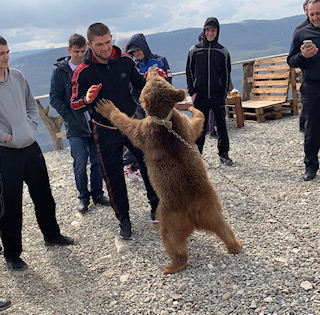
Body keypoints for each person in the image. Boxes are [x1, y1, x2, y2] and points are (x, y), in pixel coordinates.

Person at [71, 23, 161, 239]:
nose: (104, 48)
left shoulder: (125, 61)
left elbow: (140, 84)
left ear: (111, 38)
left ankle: (157, 208)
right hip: (104, 129)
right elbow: (74, 103)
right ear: (89, 44)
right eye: (99, 45)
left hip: (131, 123)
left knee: (149, 163)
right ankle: (124, 220)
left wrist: (152, 81)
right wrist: (86, 99)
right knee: (113, 176)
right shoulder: (83, 72)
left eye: (107, 42)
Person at [0, 36, 74, 271]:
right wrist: (6, 137)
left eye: (8, 51)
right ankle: (13, 254)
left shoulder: (18, 76)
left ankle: (51, 235)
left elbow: (31, 105)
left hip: (30, 147)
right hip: (5, 152)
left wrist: (31, 127)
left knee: (43, 194)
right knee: (10, 206)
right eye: (2, 53)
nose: (6, 56)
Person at [50, 34, 110, 214]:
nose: (80, 55)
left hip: (95, 121)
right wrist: (69, 117)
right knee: (80, 162)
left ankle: (98, 193)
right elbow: (55, 98)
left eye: (83, 51)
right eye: (76, 52)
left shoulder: (90, 66)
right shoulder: (60, 72)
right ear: (69, 50)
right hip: (75, 126)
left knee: (98, 161)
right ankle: (83, 196)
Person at [186, 17, 233, 165]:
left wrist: (223, 94)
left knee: (222, 126)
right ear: (204, 31)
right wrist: (192, 91)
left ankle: (224, 154)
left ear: (217, 32)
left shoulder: (222, 52)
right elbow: (189, 71)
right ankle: (197, 155)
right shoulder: (194, 50)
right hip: (200, 96)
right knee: (199, 127)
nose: (210, 33)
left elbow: (226, 74)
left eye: (213, 30)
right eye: (207, 30)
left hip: (217, 95)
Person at [287, 0, 320, 181]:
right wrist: (303, 55)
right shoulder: (301, 32)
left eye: (318, 14)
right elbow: (291, 60)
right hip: (312, 86)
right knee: (311, 128)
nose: (315, 17)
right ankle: (310, 166)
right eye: (312, 14)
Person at [295, 0, 311, 133]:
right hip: (309, 76)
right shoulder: (301, 29)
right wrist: (303, 56)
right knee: (308, 110)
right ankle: (303, 127)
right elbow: (293, 58)